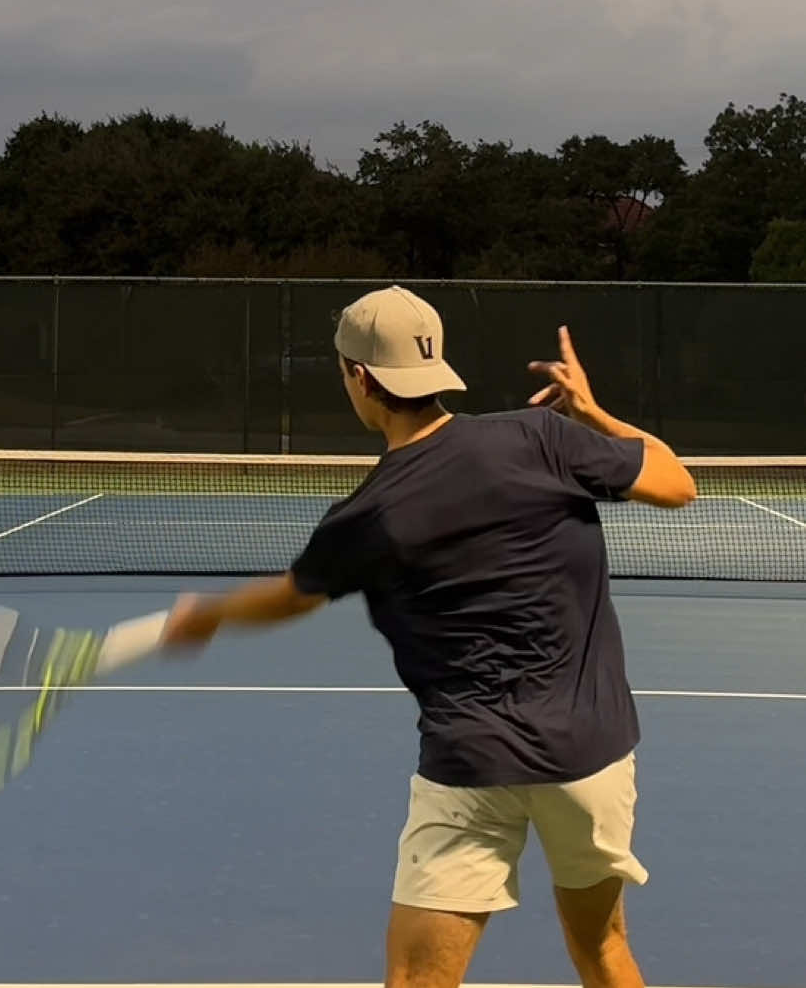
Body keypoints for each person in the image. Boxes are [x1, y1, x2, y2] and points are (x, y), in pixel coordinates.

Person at [164, 285, 696, 988]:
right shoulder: (543, 437)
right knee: (602, 951)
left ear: (360, 377)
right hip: (591, 758)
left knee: (418, 979)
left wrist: (209, 615)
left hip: (470, 768)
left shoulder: (365, 516)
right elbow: (678, 481)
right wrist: (592, 412)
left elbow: (293, 596)